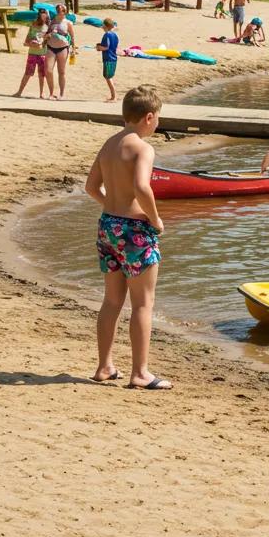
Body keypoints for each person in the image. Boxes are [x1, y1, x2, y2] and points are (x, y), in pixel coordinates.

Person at [84, 86, 171, 390]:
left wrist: (112, 207)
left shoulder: (109, 144)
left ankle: (105, 366)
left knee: (111, 300)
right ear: (149, 117)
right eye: (157, 118)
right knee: (143, 303)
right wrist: (155, 219)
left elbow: (91, 187)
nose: (157, 123)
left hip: (108, 225)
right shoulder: (143, 148)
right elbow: (142, 187)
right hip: (135, 231)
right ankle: (140, 373)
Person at [14, 8, 51, 99]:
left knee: (41, 74)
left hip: (43, 53)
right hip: (32, 53)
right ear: (39, 15)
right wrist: (31, 44)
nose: (44, 16)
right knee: (27, 73)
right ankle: (19, 92)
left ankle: (41, 93)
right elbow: (27, 40)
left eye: (45, 14)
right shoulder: (33, 25)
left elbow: (49, 41)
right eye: (42, 14)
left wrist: (44, 41)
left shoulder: (48, 27)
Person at [44, 3, 75, 100]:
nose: (60, 12)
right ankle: (51, 93)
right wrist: (49, 34)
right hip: (50, 47)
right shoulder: (51, 22)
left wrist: (73, 49)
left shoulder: (68, 23)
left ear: (65, 12)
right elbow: (45, 35)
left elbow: (72, 36)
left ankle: (61, 94)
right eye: (58, 10)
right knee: (48, 71)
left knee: (61, 72)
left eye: (62, 10)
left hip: (63, 48)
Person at [96, 17, 119, 102]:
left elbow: (106, 47)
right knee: (108, 77)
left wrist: (99, 48)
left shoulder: (107, 35)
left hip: (109, 58)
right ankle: (113, 96)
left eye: (103, 25)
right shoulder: (115, 35)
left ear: (105, 26)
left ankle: (114, 97)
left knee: (108, 77)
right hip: (113, 57)